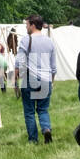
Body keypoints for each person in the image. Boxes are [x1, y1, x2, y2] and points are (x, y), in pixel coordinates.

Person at [17, 14, 57, 143]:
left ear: (33, 25)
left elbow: (19, 62)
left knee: (29, 111)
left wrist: (15, 79)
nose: (26, 27)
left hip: (30, 78)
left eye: (27, 25)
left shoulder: (26, 40)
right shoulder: (49, 42)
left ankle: (33, 139)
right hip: (46, 78)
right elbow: (53, 67)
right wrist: (52, 81)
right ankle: (46, 129)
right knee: (43, 109)